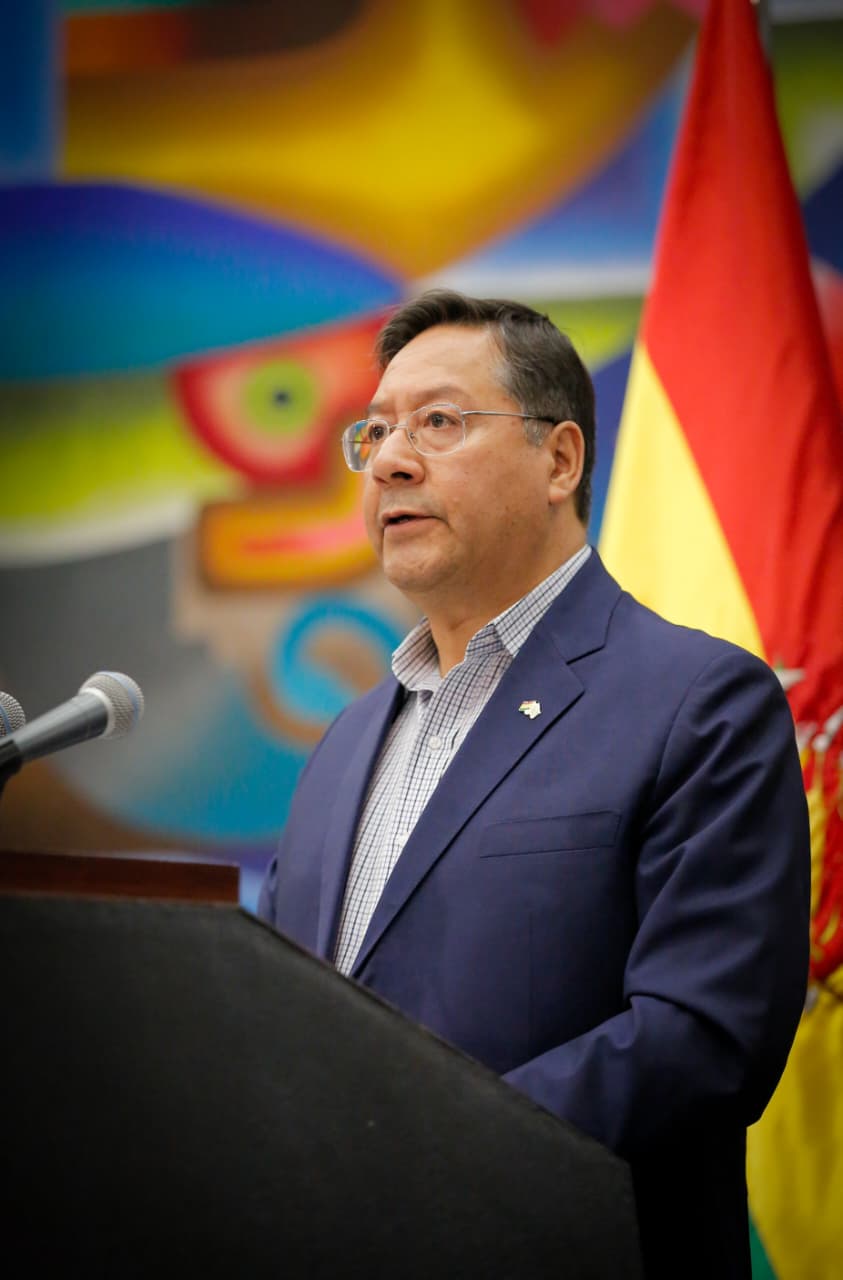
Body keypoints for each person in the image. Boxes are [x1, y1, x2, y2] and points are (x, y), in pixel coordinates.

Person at [257, 290, 810, 1278]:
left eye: (437, 421)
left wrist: (423, 1159)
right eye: (375, 431)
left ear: (559, 460)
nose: (389, 461)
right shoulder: (345, 741)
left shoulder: (698, 702)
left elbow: (702, 1037)